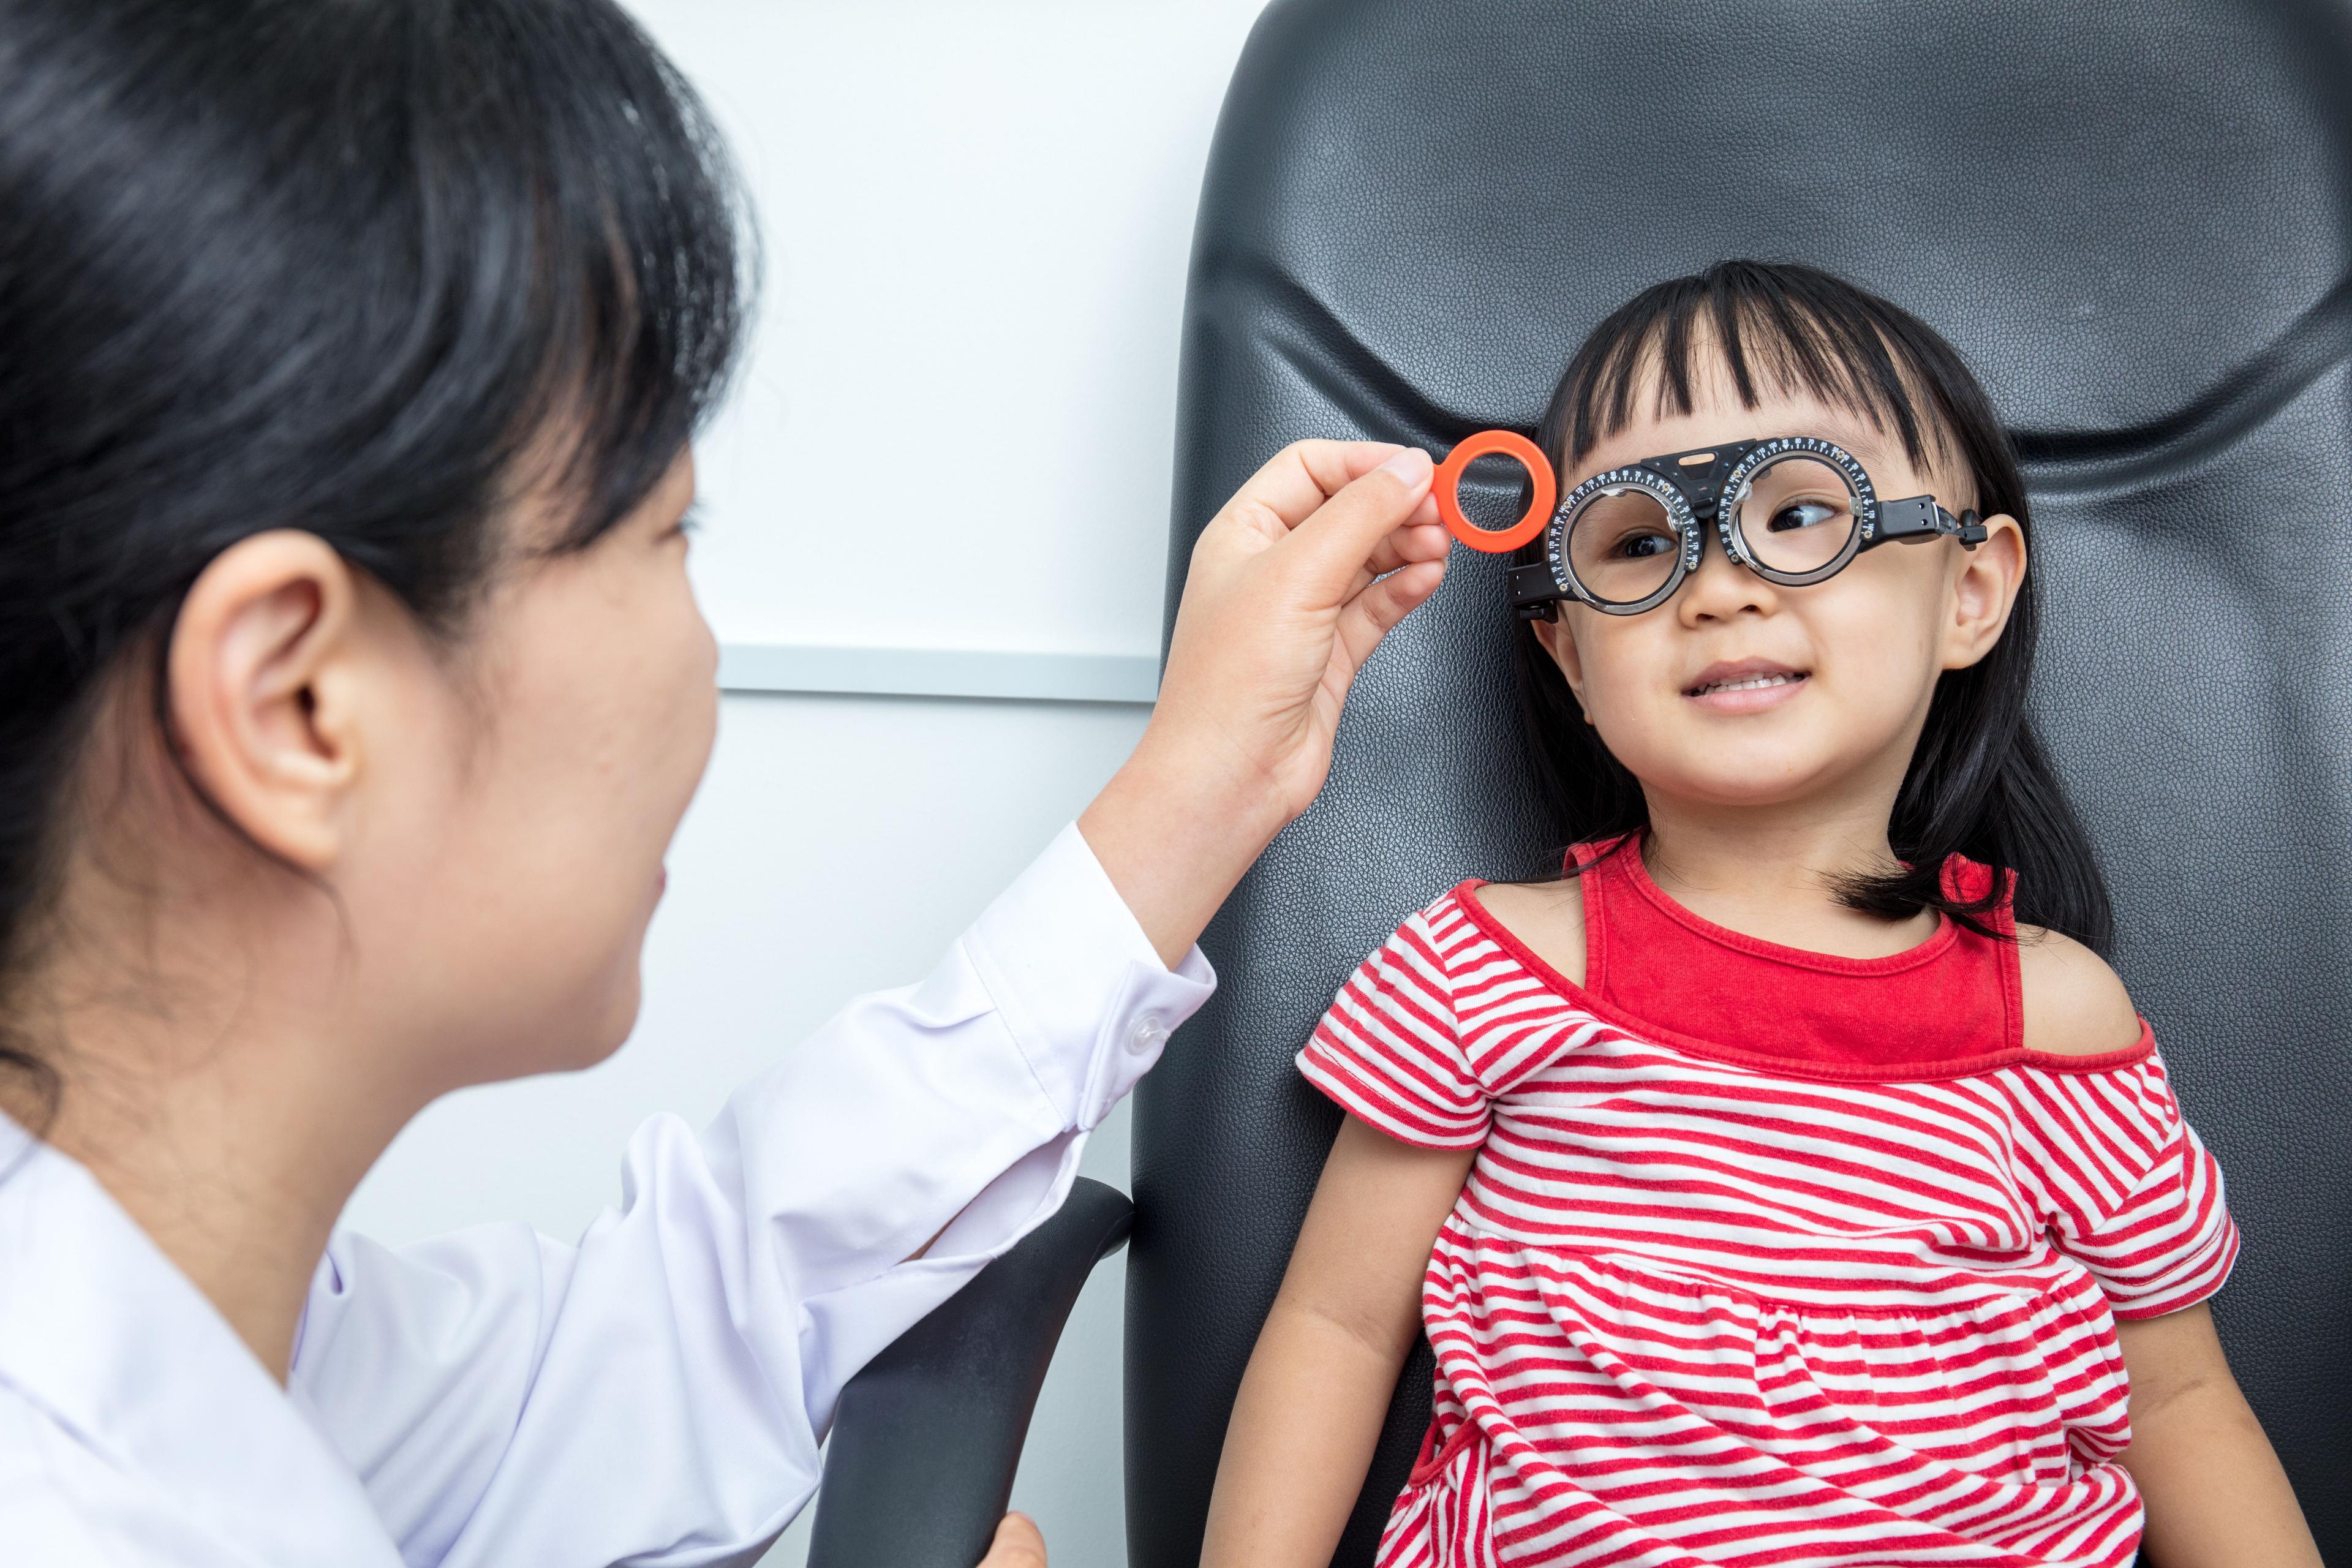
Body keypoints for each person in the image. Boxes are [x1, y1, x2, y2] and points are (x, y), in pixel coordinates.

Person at [0, 2, 1453, 1564]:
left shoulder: (209, 1342)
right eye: (660, 533)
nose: (697, 653)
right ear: (297, 701)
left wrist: (1204, 780)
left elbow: (695, 1317)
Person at [1200, 262, 2322, 1568]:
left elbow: (2179, 1401)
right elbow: (1338, 1325)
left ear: (1971, 590)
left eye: (1803, 514)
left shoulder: (2059, 1016)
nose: (1719, 583)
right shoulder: (1489, 971)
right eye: (1638, 540)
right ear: (1569, 650)